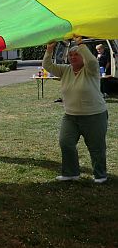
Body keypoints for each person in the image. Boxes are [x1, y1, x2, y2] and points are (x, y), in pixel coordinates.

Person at [43, 37, 108, 183]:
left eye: (76, 54)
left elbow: (91, 61)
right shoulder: (65, 70)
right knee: (65, 142)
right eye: (70, 55)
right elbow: (47, 65)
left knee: (96, 147)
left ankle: (100, 175)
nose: (72, 57)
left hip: (94, 115)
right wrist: (49, 49)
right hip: (70, 116)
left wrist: (80, 44)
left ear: (83, 56)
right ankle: (71, 173)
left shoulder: (91, 69)